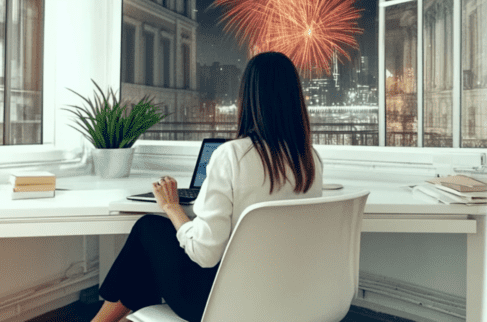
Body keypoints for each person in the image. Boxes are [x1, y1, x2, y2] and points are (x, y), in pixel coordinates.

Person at [92, 52, 323, 322]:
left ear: (247, 98)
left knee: (149, 230)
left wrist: (172, 207)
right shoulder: (310, 160)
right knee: (149, 253)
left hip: (226, 305)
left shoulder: (233, 155)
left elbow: (205, 254)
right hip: (290, 299)